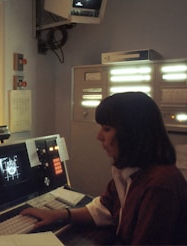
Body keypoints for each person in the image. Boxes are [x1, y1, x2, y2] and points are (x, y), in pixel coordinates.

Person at [21, 92, 187, 245]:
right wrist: (58, 215)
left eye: (107, 129)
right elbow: (105, 208)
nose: (99, 136)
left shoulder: (159, 186)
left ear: (133, 133)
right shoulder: (130, 172)